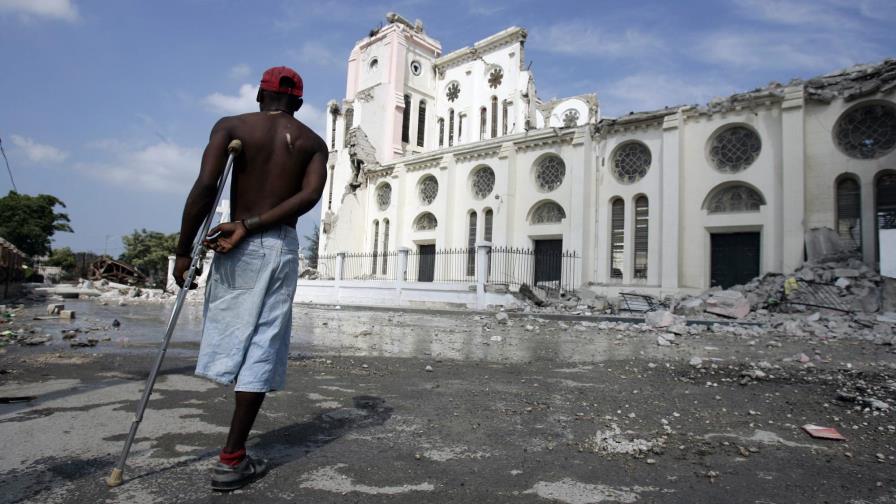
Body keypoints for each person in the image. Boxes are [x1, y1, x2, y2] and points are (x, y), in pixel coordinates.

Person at [173, 66, 328, 491]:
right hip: (279, 246)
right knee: (263, 345)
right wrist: (253, 225)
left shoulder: (232, 126)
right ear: (298, 103)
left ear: (260, 95)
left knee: (233, 337)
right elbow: (310, 196)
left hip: (236, 244)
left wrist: (184, 249)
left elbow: (206, 185)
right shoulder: (313, 142)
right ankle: (231, 458)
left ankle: (233, 455)